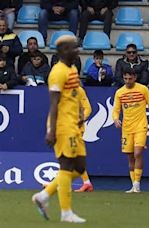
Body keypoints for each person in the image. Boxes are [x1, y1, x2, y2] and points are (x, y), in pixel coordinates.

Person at [31, 35, 87, 223]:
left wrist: (79, 112)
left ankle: (44, 195)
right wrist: (52, 130)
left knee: (79, 168)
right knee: (66, 166)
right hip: (62, 125)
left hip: (74, 124)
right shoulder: (57, 72)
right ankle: (66, 213)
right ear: (63, 51)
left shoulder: (72, 69)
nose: (77, 51)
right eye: (73, 48)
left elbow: (74, 95)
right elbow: (54, 104)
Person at [112, 68, 149, 193]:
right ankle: (133, 185)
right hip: (127, 128)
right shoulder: (120, 92)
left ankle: (137, 183)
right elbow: (116, 109)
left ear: (135, 77)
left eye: (130, 78)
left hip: (141, 126)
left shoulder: (142, 89)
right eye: (125, 79)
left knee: (138, 153)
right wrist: (115, 119)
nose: (127, 81)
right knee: (130, 156)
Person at [74, 88, 94, 193]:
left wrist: (80, 119)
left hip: (76, 128)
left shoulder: (78, 90)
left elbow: (88, 108)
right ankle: (87, 183)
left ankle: (86, 182)